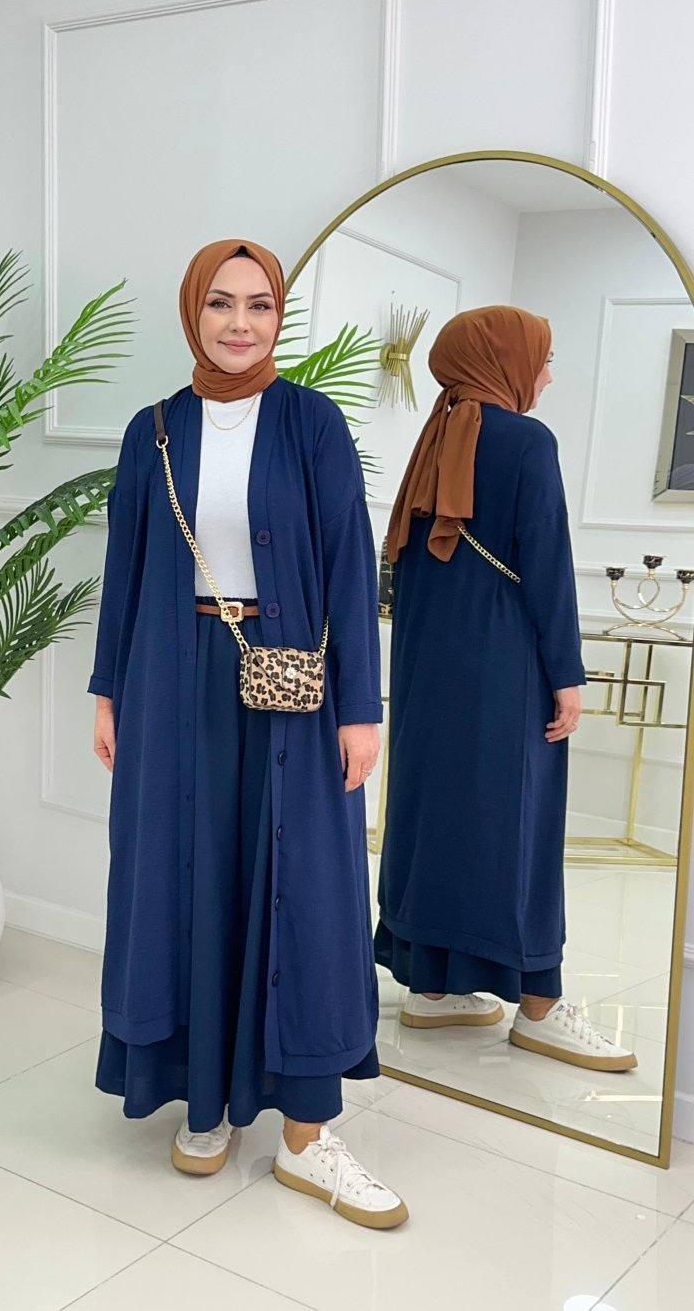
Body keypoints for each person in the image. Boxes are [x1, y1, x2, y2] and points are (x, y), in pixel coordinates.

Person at [88, 238, 408, 1229]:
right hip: (170, 677)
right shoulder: (152, 431)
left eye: (259, 304)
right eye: (220, 303)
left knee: (304, 887)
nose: (239, 322)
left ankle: (308, 1133)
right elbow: (126, 568)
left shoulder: (311, 422)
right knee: (181, 878)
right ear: (194, 312)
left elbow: (350, 564)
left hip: (291, 682)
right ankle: (204, 1099)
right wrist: (107, 691)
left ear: (278, 315)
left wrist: (362, 707)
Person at [375, 305, 636, 1073]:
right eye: (543, 358)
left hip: (426, 675)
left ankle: (435, 987)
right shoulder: (526, 441)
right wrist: (566, 674)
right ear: (504, 360)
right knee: (518, 825)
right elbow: (547, 565)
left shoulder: (434, 439)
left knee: (437, 815)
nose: (548, 375)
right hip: (503, 671)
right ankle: (541, 1008)